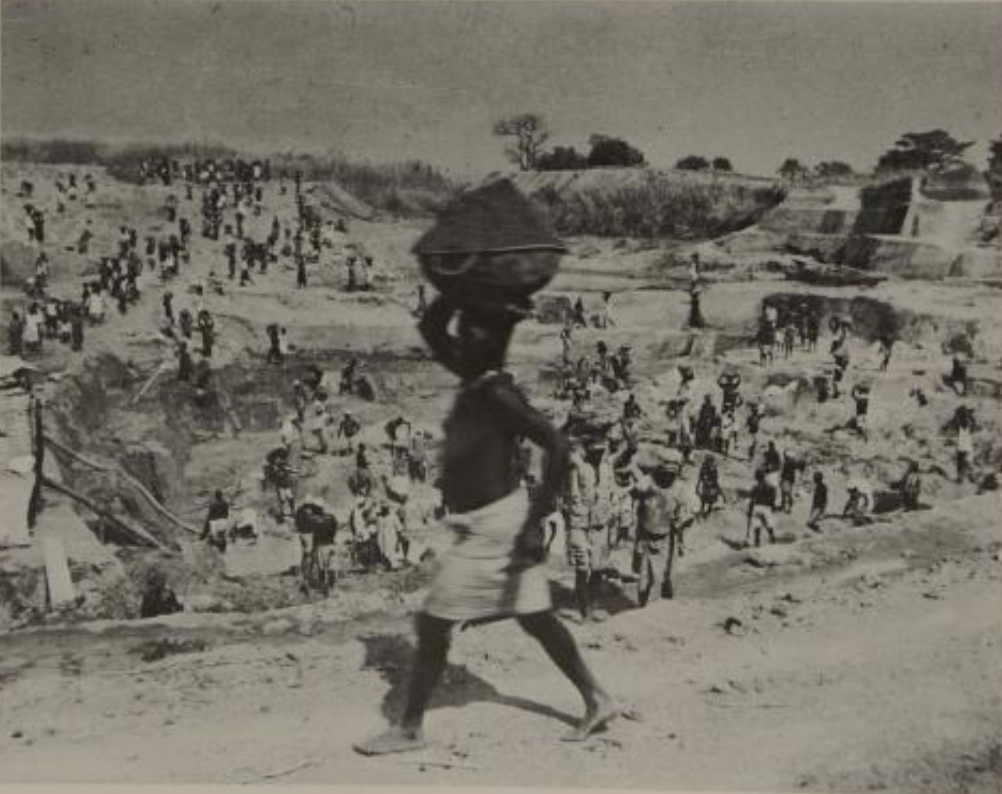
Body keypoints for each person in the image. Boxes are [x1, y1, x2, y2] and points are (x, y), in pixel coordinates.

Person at [356, 304, 615, 757]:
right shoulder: (475, 377)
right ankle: (597, 698)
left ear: (492, 342)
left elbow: (557, 445)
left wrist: (536, 522)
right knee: (536, 618)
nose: (459, 338)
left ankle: (410, 728)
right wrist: (459, 286)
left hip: (495, 528)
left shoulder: (497, 393)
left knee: (434, 624)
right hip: (493, 521)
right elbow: (431, 326)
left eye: (472, 333)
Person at [632, 449, 694, 604]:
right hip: (646, 534)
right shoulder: (648, 481)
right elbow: (633, 491)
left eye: (672, 473)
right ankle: (642, 605)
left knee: (669, 576)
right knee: (644, 576)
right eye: (665, 472)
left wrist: (682, 520)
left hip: (668, 536)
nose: (668, 476)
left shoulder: (679, 488)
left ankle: (667, 606)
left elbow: (689, 512)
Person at [746, 468, 777, 547]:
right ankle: (772, 536)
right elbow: (773, 497)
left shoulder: (755, 487)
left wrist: (749, 511)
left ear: (757, 477)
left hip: (757, 507)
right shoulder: (770, 486)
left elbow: (751, 500)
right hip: (766, 507)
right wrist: (772, 506)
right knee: (769, 523)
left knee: (757, 524)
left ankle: (757, 540)